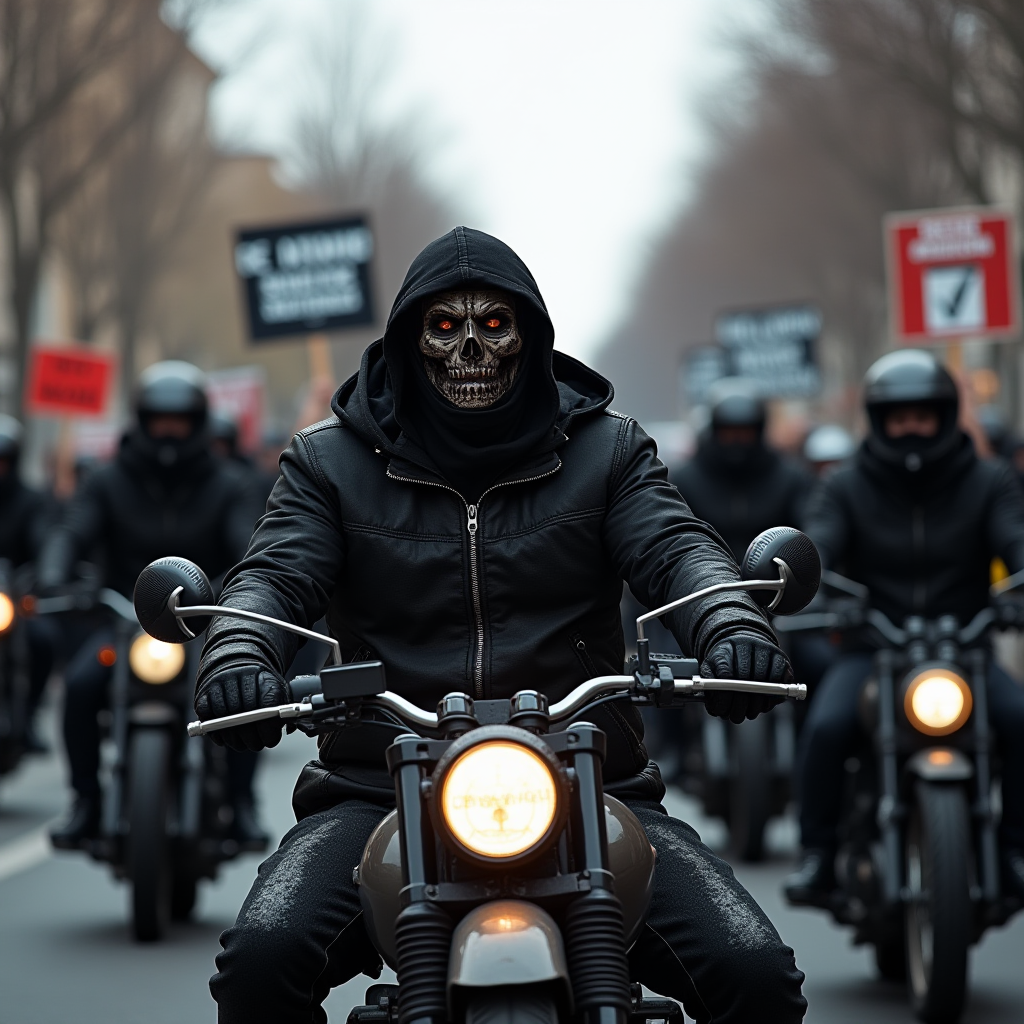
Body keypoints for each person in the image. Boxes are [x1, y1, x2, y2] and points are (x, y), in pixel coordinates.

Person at [195, 228, 806, 1024]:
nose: (471, 349)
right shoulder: (329, 461)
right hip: (377, 788)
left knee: (755, 976)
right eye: (444, 328)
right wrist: (240, 646)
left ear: (532, 337)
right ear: (411, 340)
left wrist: (729, 621)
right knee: (260, 962)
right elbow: (275, 574)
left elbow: (677, 548)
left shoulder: (608, 450)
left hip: (592, 784)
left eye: (494, 326)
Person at [784, 348, 1024, 905]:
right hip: (873, 649)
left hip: (966, 648)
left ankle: (1013, 851)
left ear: (943, 415)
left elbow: (1015, 541)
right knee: (826, 726)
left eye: (922, 415)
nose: (910, 427)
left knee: (1018, 720)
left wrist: (1017, 591)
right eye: (898, 417)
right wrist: (816, 591)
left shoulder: (990, 482)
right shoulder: (844, 486)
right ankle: (819, 855)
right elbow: (817, 548)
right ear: (878, 420)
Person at [44, 361, 266, 849]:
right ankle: (85, 801)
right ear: (141, 421)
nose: (169, 432)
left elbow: (247, 548)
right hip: (126, 621)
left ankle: (242, 801)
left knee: (243, 692)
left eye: (179, 422)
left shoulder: (229, 484)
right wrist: (54, 572)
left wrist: (234, 587)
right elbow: (71, 531)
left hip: (204, 624)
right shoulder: (107, 481)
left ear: (198, 422)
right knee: (80, 687)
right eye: (159, 421)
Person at [672, 379, 812, 564]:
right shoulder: (684, 481)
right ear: (715, 430)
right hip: (704, 583)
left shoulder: (790, 479)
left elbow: (809, 533)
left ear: (759, 431)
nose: (737, 440)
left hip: (775, 582)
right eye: (728, 432)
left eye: (745, 432)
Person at [0, 415, 57, 751]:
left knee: (43, 640)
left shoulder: (31, 501)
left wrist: (41, 575)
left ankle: (31, 713)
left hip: (14, 598)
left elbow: (44, 542)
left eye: (2, 461)